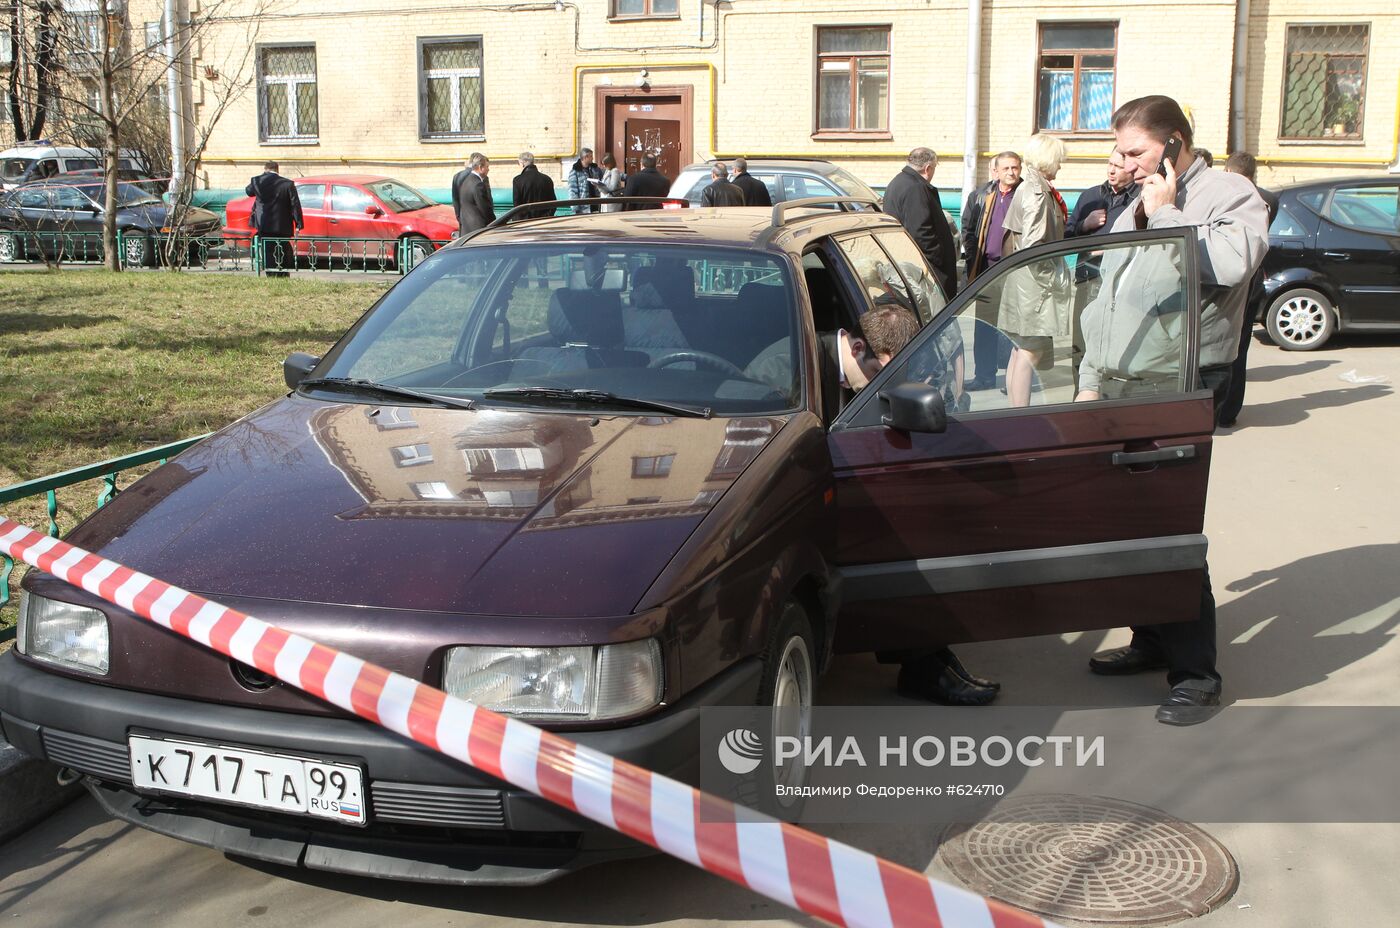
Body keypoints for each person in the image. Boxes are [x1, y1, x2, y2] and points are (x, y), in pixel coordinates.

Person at [1075, 95, 1269, 726]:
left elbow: (1226, 264)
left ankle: (1196, 673)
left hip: (1183, 381)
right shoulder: (1139, 199)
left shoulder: (1226, 194)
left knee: (1168, 524)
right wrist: (1087, 378)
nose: (1123, 164)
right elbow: (1104, 295)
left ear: (1177, 144)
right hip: (1125, 382)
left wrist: (1166, 214)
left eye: (1136, 152)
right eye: (1120, 152)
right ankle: (1154, 637)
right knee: (1130, 522)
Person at [999, 133, 1069, 407]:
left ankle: (1015, 414)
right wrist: (1053, 281)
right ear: (1049, 160)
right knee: (1030, 353)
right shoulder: (1038, 192)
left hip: (1022, 283)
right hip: (1034, 288)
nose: (1060, 167)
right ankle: (1021, 416)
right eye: (1059, 161)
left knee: (1020, 351)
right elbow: (1033, 247)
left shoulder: (1027, 187)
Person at [1217, 151, 1279, 427]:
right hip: (1253, 282)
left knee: (1216, 347)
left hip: (1226, 284)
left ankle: (1213, 408)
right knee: (1240, 350)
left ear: (1228, 171)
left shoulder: (1223, 195)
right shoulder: (1270, 199)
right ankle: (1230, 411)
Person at [963, 151, 1022, 390]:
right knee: (985, 327)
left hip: (1015, 270)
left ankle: (1013, 378)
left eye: (1015, 168)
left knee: (1014, 329)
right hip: (987, 270)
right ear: (995, 172)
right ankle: (984, 376)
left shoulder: (1026, 195)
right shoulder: (980, 195)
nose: (1011, 172)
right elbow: (968, 229)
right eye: (1006, 168)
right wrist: (972, 260)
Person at [882, 147, 958, 300]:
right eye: (934, 168)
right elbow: (921, 232)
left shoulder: (899, 181)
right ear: (928, 168)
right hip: (926, 270)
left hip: (910, 264)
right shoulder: (915, 187)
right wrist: (939, 259)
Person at [245, 160, 302, 278]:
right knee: (282, 249)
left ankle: (270, 273)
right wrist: (298, 224)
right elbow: (295, 205)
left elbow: (249, 192)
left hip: (264, 223)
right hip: (283, 225)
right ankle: (283, 273)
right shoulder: (288, 184)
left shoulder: (256, 181)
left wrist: (261, 177)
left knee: (268, 250)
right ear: (277, 170)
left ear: (265, 169)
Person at [1067, 149, 1139, 237]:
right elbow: (1067, 234)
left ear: (1132, 168)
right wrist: (1084, 225)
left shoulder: (1141, 199)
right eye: (1110, 164)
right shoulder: (1089, 196)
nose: (1111, 171)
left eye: (1118, 166)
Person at [451, 153, 493, 234]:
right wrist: (495, 223)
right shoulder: (478, 184)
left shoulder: (465, 180)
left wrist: (460, 218)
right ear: (480, 167)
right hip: (477, 229)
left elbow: (456, 200)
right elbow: (485, 208)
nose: (488, 169)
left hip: (466, 225)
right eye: (487, 167)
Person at [510, 151, 556, 220]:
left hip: (525, 223)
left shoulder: (517, 180)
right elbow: (553, 203)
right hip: (544, 221)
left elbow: (517, 205)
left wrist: (525, 219)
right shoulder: (547, 179)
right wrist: (545, 216)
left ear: (522, 164)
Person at [567, 148, 603, 213]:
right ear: (585, 157)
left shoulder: (595, 169)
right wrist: (575, 208)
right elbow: (572, 190)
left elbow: (606, 175)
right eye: (591, 156)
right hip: (583, 208)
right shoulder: (575, 171)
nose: (593, 158)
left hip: (597, 204)